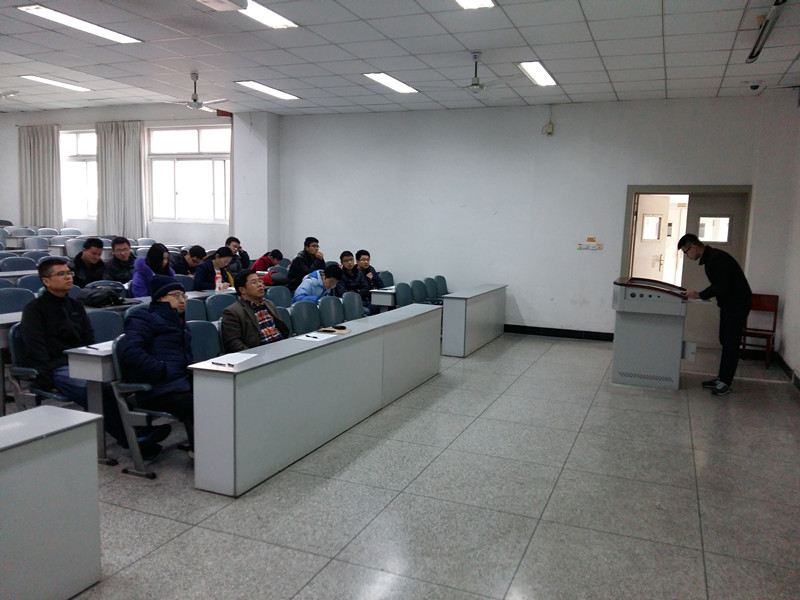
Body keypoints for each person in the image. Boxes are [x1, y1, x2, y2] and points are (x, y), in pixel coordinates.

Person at [18, 256, 169, 454]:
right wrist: (46, 379)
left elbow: (88, 338)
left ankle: (138, 432)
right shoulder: (34, 310)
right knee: (95, 388)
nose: (68, 277)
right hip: (56, 368)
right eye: (61, 274)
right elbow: (35, 349)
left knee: (116, 382)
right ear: (46, 280)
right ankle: (132, 436)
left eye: (69, 273)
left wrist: (90, 361)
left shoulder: (75, 306)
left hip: (82, 362)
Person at [119, 275, 195, 455]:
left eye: (184, 296)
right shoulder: (143, 317)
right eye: (176, 295)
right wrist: (160, 370)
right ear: (160, 298)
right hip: (158, 388)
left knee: (219, 393)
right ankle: (203, 451)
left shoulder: (180, 323)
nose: (182, 300)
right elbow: (130, 350)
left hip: (180, 383)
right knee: (198, 403)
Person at [678, 233, 752, 396]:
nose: (687, 256)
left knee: (731, 343)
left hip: (737, 304)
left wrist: (699, 294)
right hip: (730, 304)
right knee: (725, 340)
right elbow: (720, 285)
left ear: (694, 247)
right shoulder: (711, 258)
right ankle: (721, 377)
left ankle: (725, 382)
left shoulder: (717, 259)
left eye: (686, 252)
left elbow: (722, 285)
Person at [221, 270, 290, 352]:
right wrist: (253, 355)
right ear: (242, 290)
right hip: (260, 352)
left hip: (280, 347)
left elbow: (282, 330)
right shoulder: (232, 311)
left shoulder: (269, 304)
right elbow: (233, 343)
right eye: (254, 282)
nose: (260, 285)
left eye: (260, 281)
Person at [335, 250, 377, 315]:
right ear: (342, 263)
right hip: (349, 302)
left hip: (362, 299)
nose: (349, 262)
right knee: (367, 311)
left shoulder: (359, 272)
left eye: (351, 259)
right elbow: (342, 292)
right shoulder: (340, 275)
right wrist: (357, 291)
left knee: (376, 306)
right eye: (346, 261)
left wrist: (356, 292)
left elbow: (366, 288)